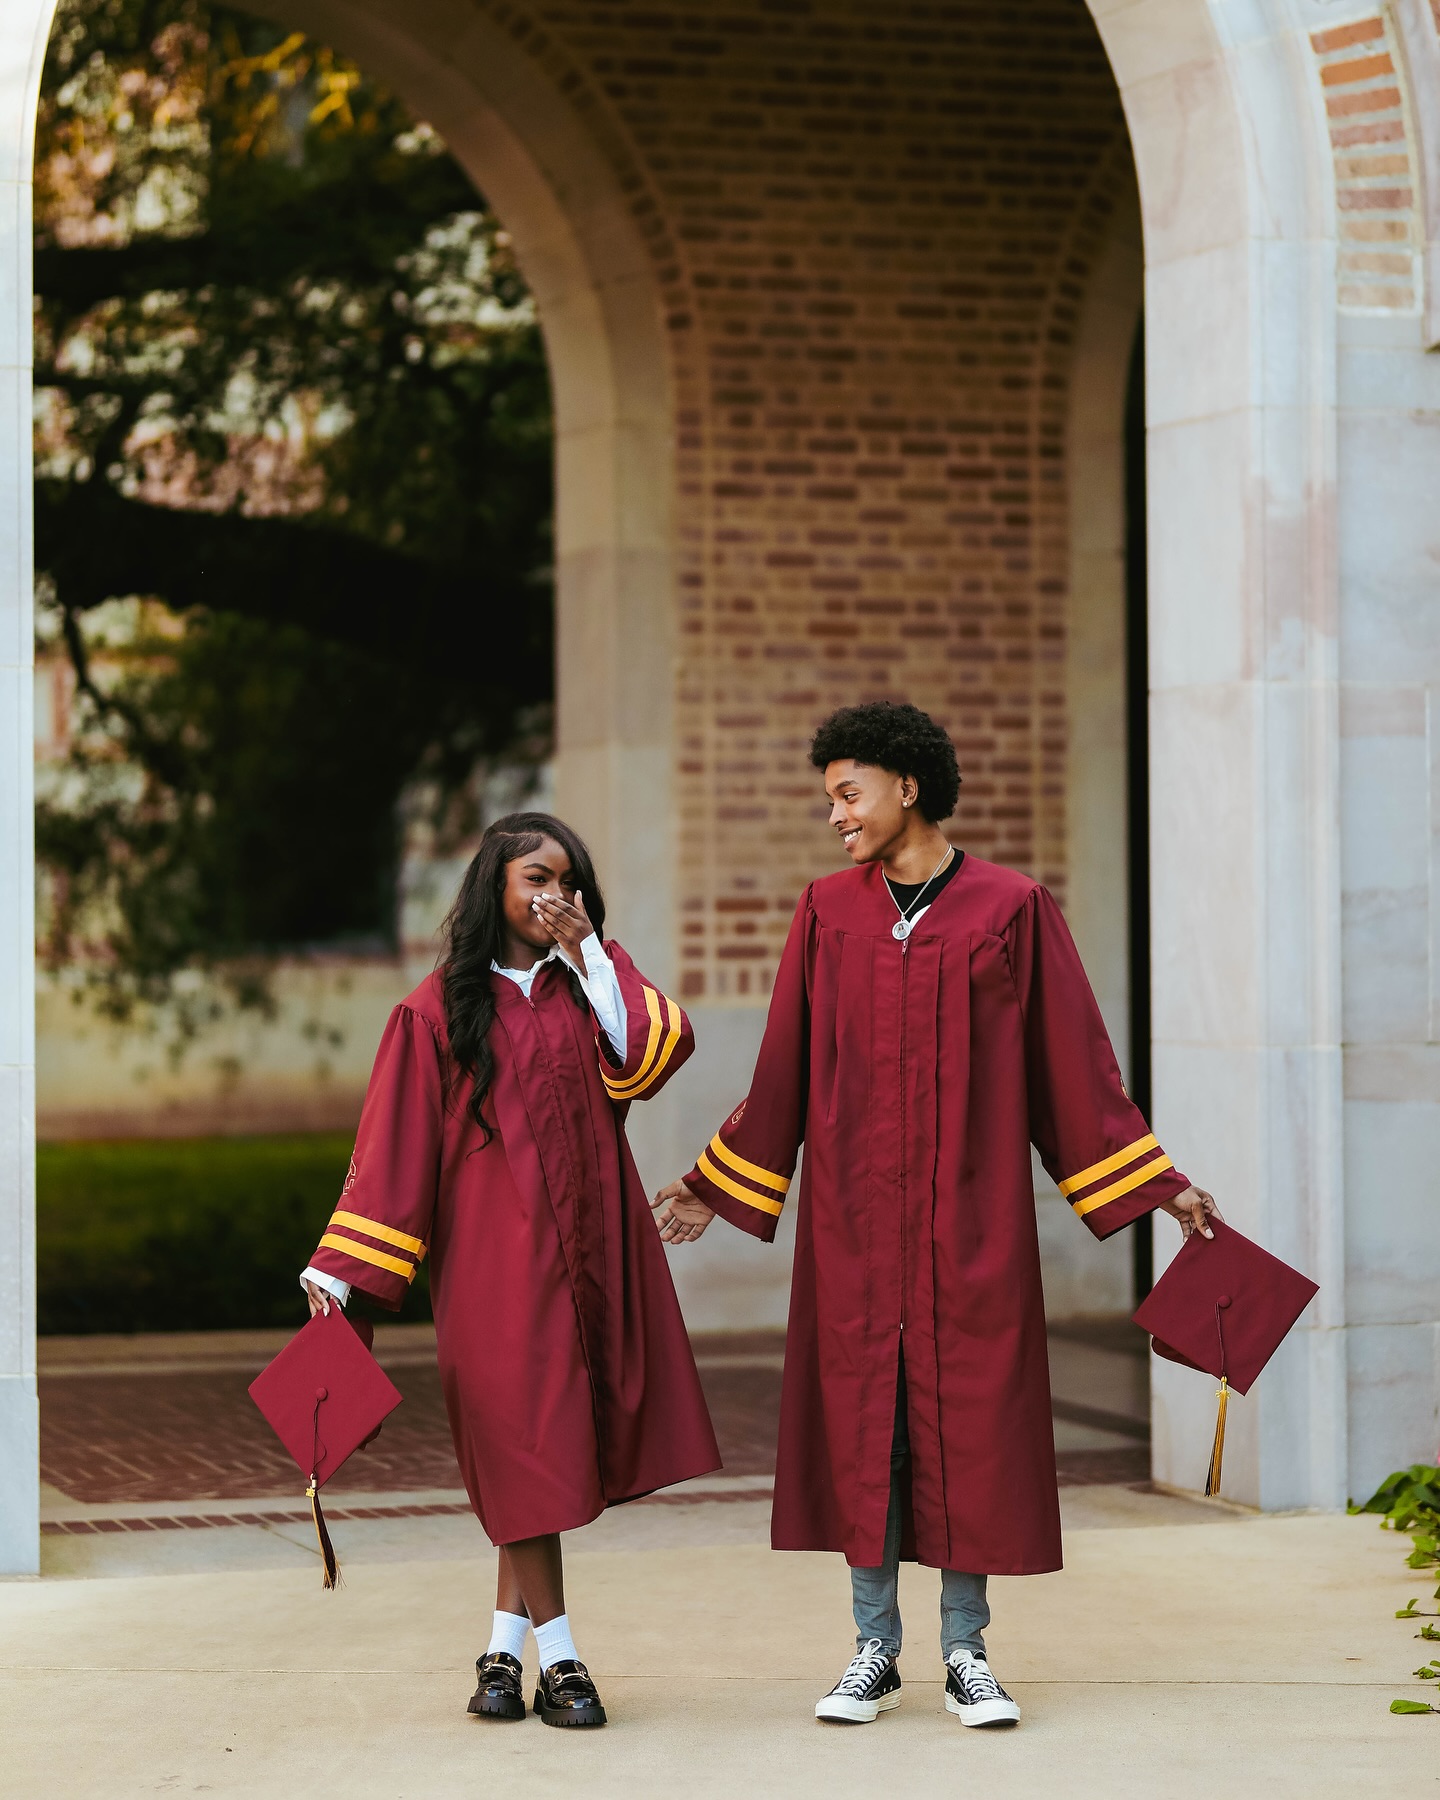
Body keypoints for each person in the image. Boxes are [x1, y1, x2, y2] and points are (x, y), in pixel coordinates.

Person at [653, 702, 1218, 1730]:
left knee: (971, 1421)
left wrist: (1159, 1186)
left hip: (973, 1222)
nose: (836, 816)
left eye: (848, 792)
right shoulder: (828, 913)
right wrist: (715, 1181)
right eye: (830, 798)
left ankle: (967, 1651)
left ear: (906, 785)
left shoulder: (1012, 910)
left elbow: (1074, 1074)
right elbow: (782, 1067)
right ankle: (874, 1647)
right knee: (869, 1423)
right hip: (856, 1226)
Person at [300, 812, 719, 1730]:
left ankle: (500, 1655)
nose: (552, 897)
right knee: (525, 1445)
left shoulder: (589, 988)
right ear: (494, 885)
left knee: (550, 1445)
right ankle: (562, 1662)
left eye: (567, 881)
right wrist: (341, 1266)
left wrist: (593, 956)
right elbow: (396, 1147)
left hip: (594, 1250)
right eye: (535, 878)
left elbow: (654, 1056)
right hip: (496, 1263)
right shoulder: (437, 1009)